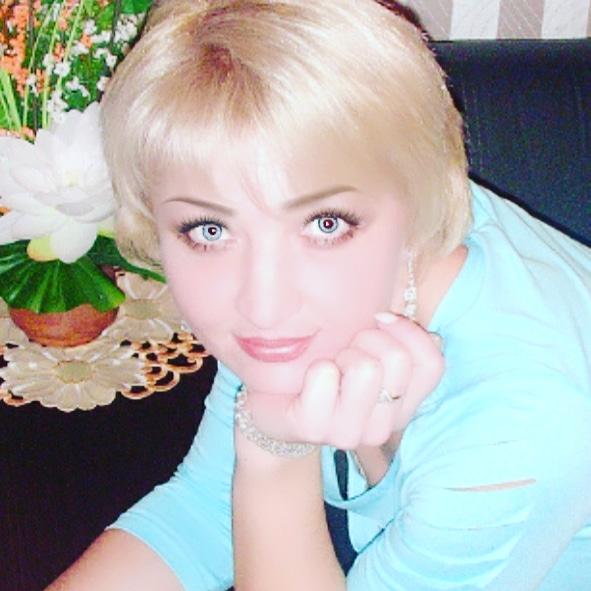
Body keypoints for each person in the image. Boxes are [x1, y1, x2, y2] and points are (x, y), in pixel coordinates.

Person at [47, 0, 591, 589]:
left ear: (419, 203)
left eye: (324, 225)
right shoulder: (370, 207)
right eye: (210, 230)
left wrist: (273, 454)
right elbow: (201, 512)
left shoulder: (515, 434)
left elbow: (252, 480)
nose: (263, 304)